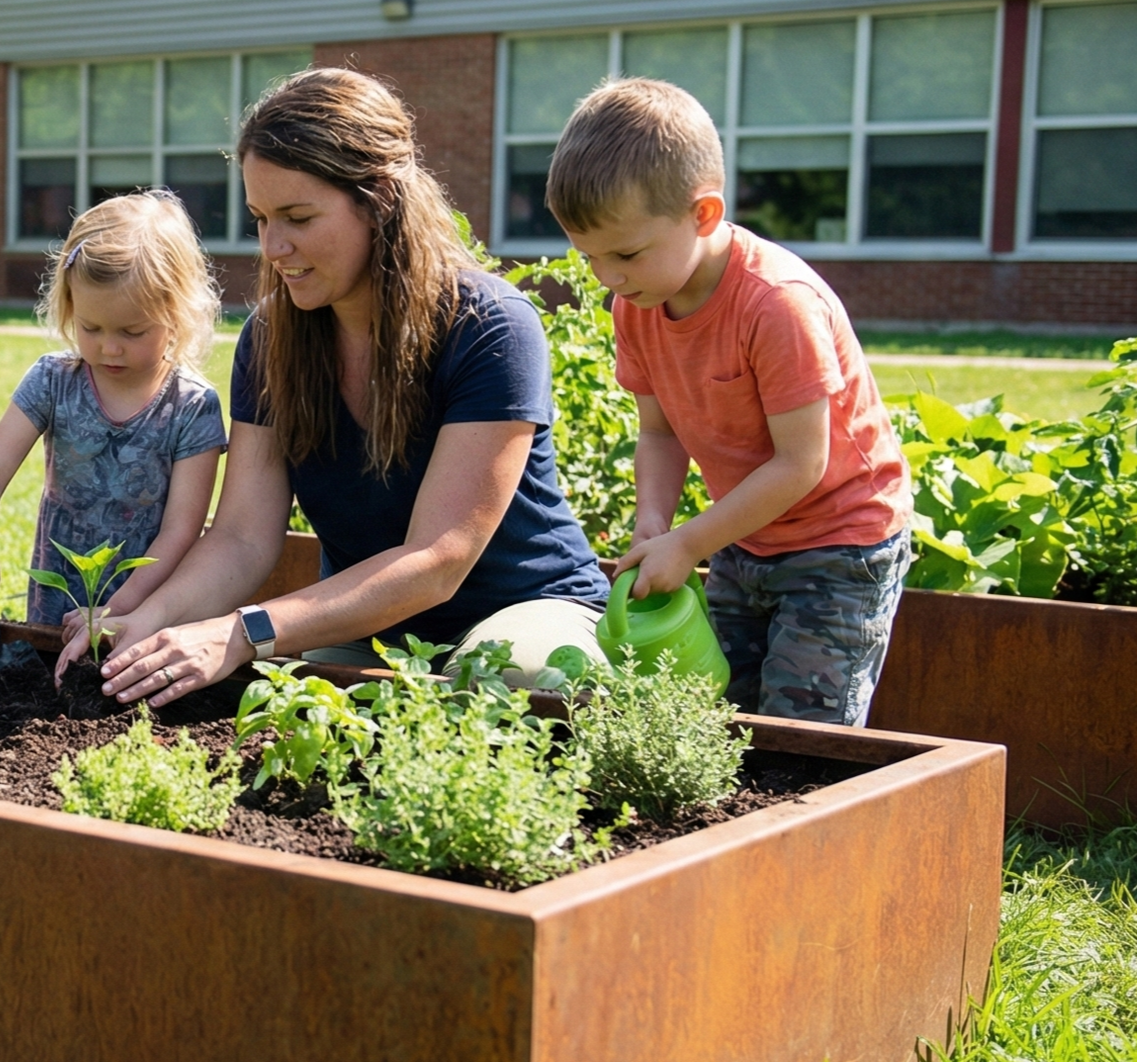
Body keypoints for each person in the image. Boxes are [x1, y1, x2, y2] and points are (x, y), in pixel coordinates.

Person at [91, 68, 611, 705]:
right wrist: (147, 620)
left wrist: (242, 631)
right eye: (260, 218)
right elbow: (242, 538)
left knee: (501, 684)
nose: (273, 246)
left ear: (380, 200)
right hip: (372, 627)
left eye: (298, 217)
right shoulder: (272, 338)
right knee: (284, 708)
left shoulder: (490, 327)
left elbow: (438, 560)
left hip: (524, 609)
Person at [546, 77, 912, 725]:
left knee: (804, 731)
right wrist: (656, 523)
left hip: (840, 544)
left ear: (704, 214)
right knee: (725, 715)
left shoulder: (777, 305)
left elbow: (801, 463)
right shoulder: (639, 302)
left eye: (626, 253)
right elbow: (660, 433)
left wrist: (690, 543)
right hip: (745, 533)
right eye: (590, 258)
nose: (609, 277)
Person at [0, 193, 228, 647]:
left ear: (177, 313)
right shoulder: (54, 381)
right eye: (90, 327)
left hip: (141, 619)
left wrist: (116, 611)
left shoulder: (192, 406)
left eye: (133, 331)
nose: (109, 348)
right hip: (53, 613)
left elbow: (181, 531)